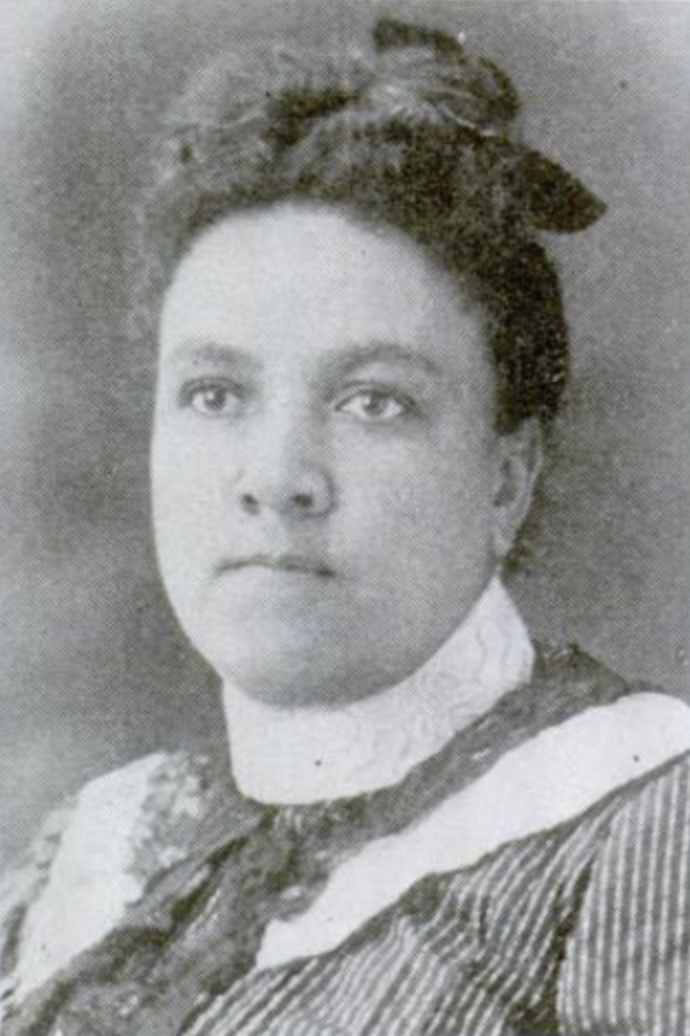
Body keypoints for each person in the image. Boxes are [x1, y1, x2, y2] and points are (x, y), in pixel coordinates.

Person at [1, 16, 689, 1036]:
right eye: (214, 393)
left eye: (375, 401)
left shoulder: (647, 819)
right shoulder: (95, 846)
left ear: (508, 477)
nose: (277, 480)